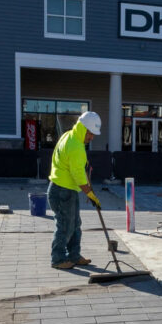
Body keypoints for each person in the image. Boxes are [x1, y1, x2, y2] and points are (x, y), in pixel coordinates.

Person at [47, 111, 103, 269]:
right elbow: (78, 175)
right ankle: (57, 259)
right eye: (91, 134)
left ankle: (74, 255)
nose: (91, 138)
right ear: (83, 129)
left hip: (64, 190)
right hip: (62, 190)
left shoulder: (69, 136)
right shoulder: (76, 146)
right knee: (65, 225)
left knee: (74, 224)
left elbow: (79, 170)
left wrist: (87, 190)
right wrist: (90, 194)